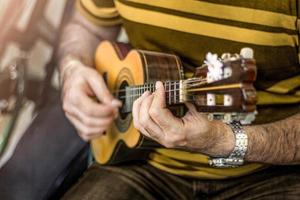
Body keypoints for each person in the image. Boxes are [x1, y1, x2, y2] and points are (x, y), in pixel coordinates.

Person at [2, 0, 300, 199]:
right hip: (145, 161)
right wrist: (72, 69)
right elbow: (87, 25)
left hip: (271, 172)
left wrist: (227, 141)